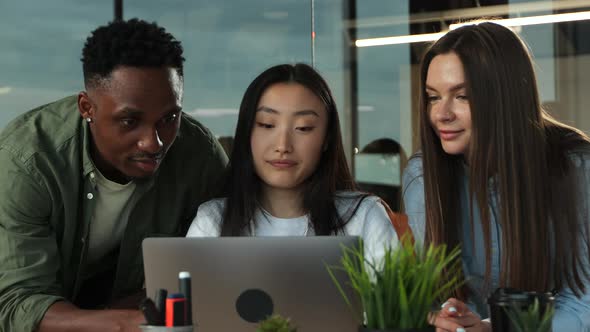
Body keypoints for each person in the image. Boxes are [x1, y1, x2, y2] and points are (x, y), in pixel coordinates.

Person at [0, 19, 228, 332]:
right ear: (86, 107)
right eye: (129, 121)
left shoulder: (199, 156)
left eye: (169, 118)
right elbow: (18, 305)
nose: (154, 142)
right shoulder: (27, 163)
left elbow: (219, 270)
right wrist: (132, 324)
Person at [402, 21, 590, 331]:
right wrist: (447, 316)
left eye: (462, 96)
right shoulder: (423, 177)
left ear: (504, 98)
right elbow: (432, 293)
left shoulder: (576, 169)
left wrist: (495, 328)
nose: (441, 114)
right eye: (433, 97)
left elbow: (583, 300)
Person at [187, 63, 410, 263]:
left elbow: (393, 308)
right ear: (247, 133)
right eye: (266, 124)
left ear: (326, 139)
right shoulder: (213, 222)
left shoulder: (362, 217)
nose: (283, 145)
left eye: (303, 128)